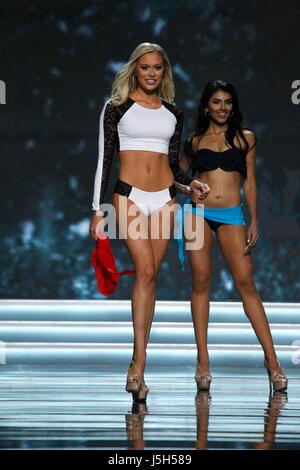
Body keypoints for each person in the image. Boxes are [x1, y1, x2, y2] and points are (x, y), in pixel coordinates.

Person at [89, 42, 209, 402]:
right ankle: (138, 363)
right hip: (128, 198)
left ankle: (138, 359)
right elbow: (105, 159)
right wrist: (97, 209)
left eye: (157, 67)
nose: (152, 73)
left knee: (152, 276)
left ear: (164, 71)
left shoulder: (173, 113)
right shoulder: (116, 109)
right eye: (145, 67)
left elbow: (172, 169)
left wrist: (189, 187)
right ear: (135, 71)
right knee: (143, 271)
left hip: (166, 200)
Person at [180, 80, 288, 394]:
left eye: (228, 102)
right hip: (196, 213)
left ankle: (272, 363)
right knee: (201, 281)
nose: (223, 107)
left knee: (246, 283)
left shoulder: (246, 139)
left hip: (231, 214)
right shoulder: (194, 141)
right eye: (216, 102)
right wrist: (187, 188)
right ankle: (203, 362)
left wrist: (254, 219)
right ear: (206, 107)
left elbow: (250, 182)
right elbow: (179, 178)